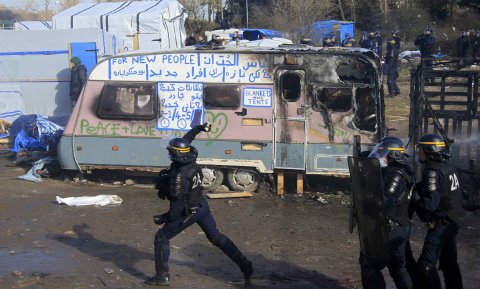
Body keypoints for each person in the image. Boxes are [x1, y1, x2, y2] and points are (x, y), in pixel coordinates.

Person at [145, 123, 253, 286]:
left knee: (161, 237)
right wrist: (199, 128)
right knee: (215, 236)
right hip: (202, 205)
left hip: (188, 211)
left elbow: (177, 208)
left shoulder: (178, 177)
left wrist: (164, 218)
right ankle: (245, 265)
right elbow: (187, 140)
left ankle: (162, 277)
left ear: (175, 154)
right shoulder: (191, 160)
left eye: (170, 151)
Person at [359, 137, 415, 289]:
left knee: (370, 266)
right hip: (400, 226)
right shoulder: (402, 169)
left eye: (384, 154)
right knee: (398, 268)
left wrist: (367, 203)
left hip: (391, 227)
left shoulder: (396, 174)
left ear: (392, 156)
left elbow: (385, 201)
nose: (381, 157)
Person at [414, 133, 465, 289]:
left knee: (426, 265)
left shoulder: (432, 171)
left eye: (421, 148)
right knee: (449, 263)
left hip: (442, 222)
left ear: (429, 149)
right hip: (452, 221)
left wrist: (414, 204)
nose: (418, 152)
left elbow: (430, 204)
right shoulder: (449, 166)